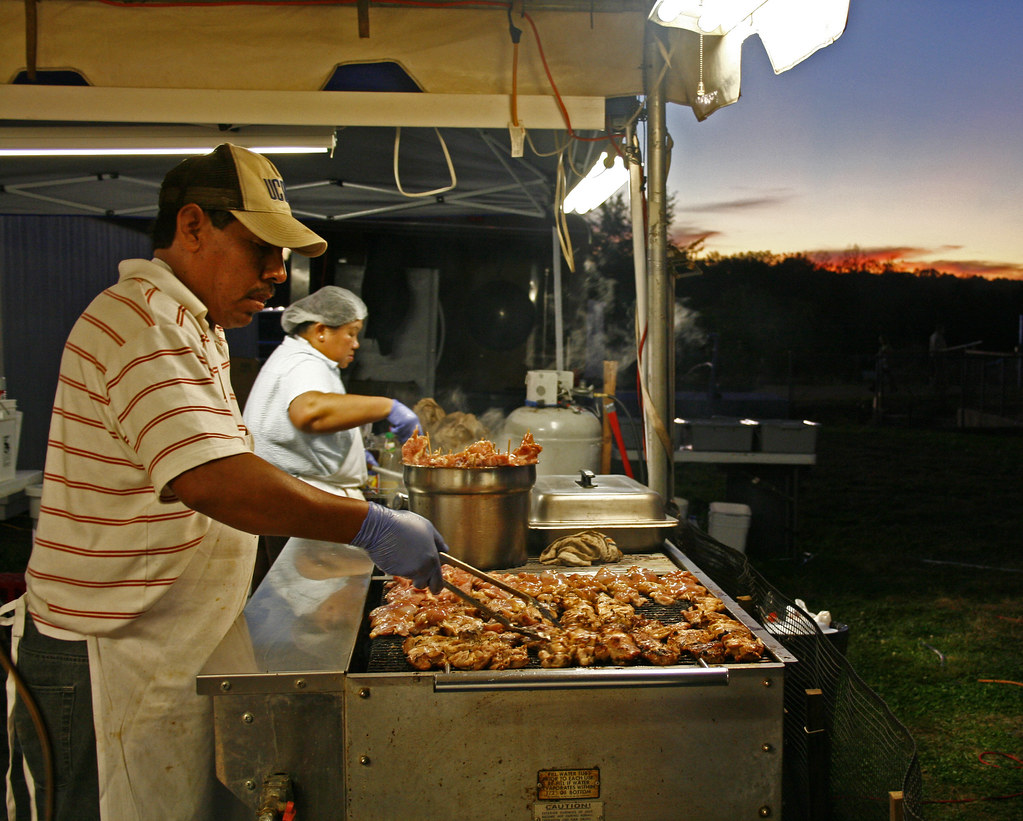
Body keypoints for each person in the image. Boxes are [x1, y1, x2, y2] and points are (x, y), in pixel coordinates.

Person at [2, 143, 446, 821]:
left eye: (282, 254)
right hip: (110, 662)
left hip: (164, 641)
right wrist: (368, 525)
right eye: (259, 247)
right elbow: (214, 479)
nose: (276, 272)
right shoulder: (140, 321)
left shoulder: (194, 325)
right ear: (191, 227)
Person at [242, 285, 421, 576]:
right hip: (302, 509)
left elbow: (301, 431)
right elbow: (309, 412)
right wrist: (388, 407)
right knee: (307, 613)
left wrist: (350, 456)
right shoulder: (303, 362)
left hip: (297, 507)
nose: (356, 343)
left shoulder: (301, 360)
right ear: (321, 330)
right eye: (351, 333)